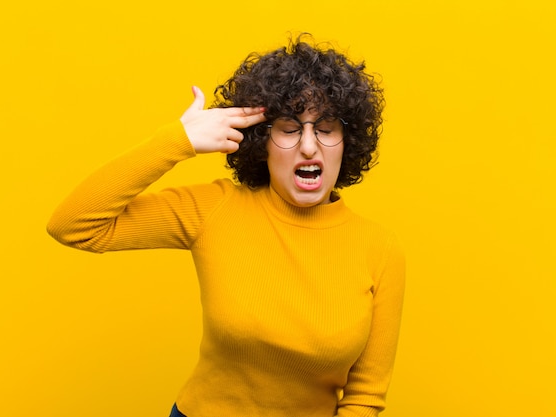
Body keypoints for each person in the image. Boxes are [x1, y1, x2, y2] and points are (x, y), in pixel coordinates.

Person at [47, 34, 405, 417]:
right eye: (289, 128)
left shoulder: (379, 249)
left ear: (346, 142)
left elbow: (365, 397)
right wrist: (176, 142)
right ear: (262, 141)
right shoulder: (215, 209)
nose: (308, 146)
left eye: (325, 128)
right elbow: (74, 225)